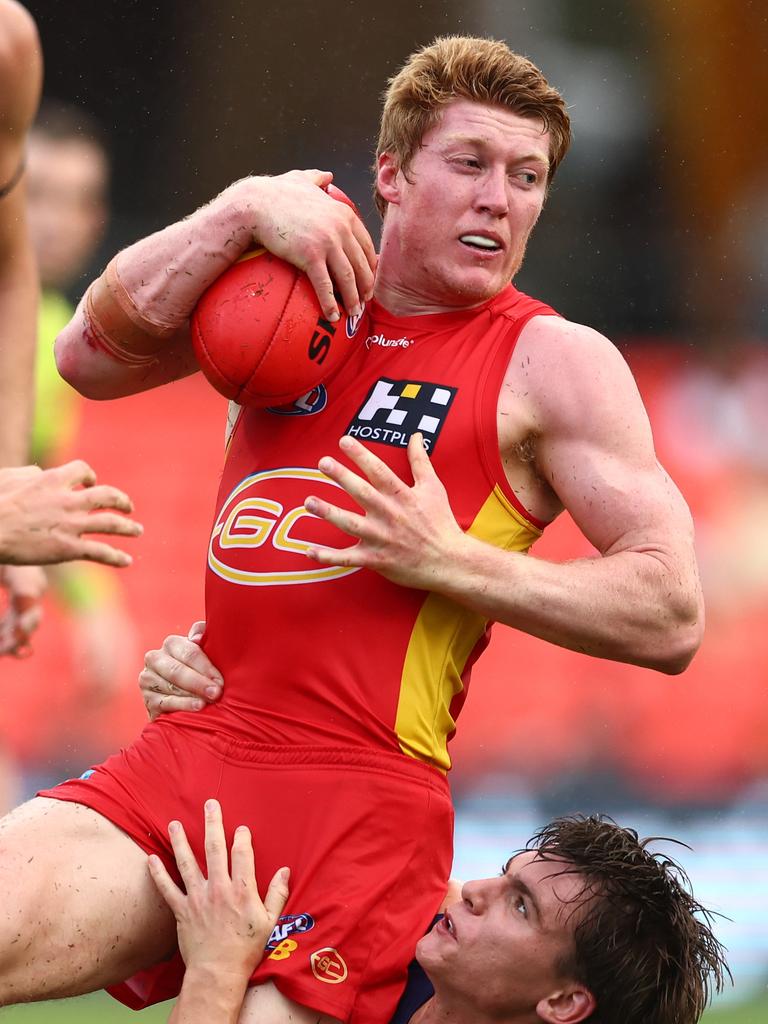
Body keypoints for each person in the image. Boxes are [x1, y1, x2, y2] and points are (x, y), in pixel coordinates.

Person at [0, 35, 703, 1024]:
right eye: (470, 164)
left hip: (357, 802)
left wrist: (446, 557)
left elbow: (671, 609)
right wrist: (239, 208)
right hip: (196, 741)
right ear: (390, 175)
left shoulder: (555, 361)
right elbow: (89, 356)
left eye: (528, 175)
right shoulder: (297, 289)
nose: (499, 198)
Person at [151, 798, 728, 1024]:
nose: (474, 890)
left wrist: (214, 974)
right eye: (505, 876)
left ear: (563, 1001)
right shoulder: (412, 927)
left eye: (521, 907)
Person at [0, 2, 141, 655]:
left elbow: (30, 475)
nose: (52, 222)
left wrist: (90, 608)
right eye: (38, 195)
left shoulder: (54, 329)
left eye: (76, 199)